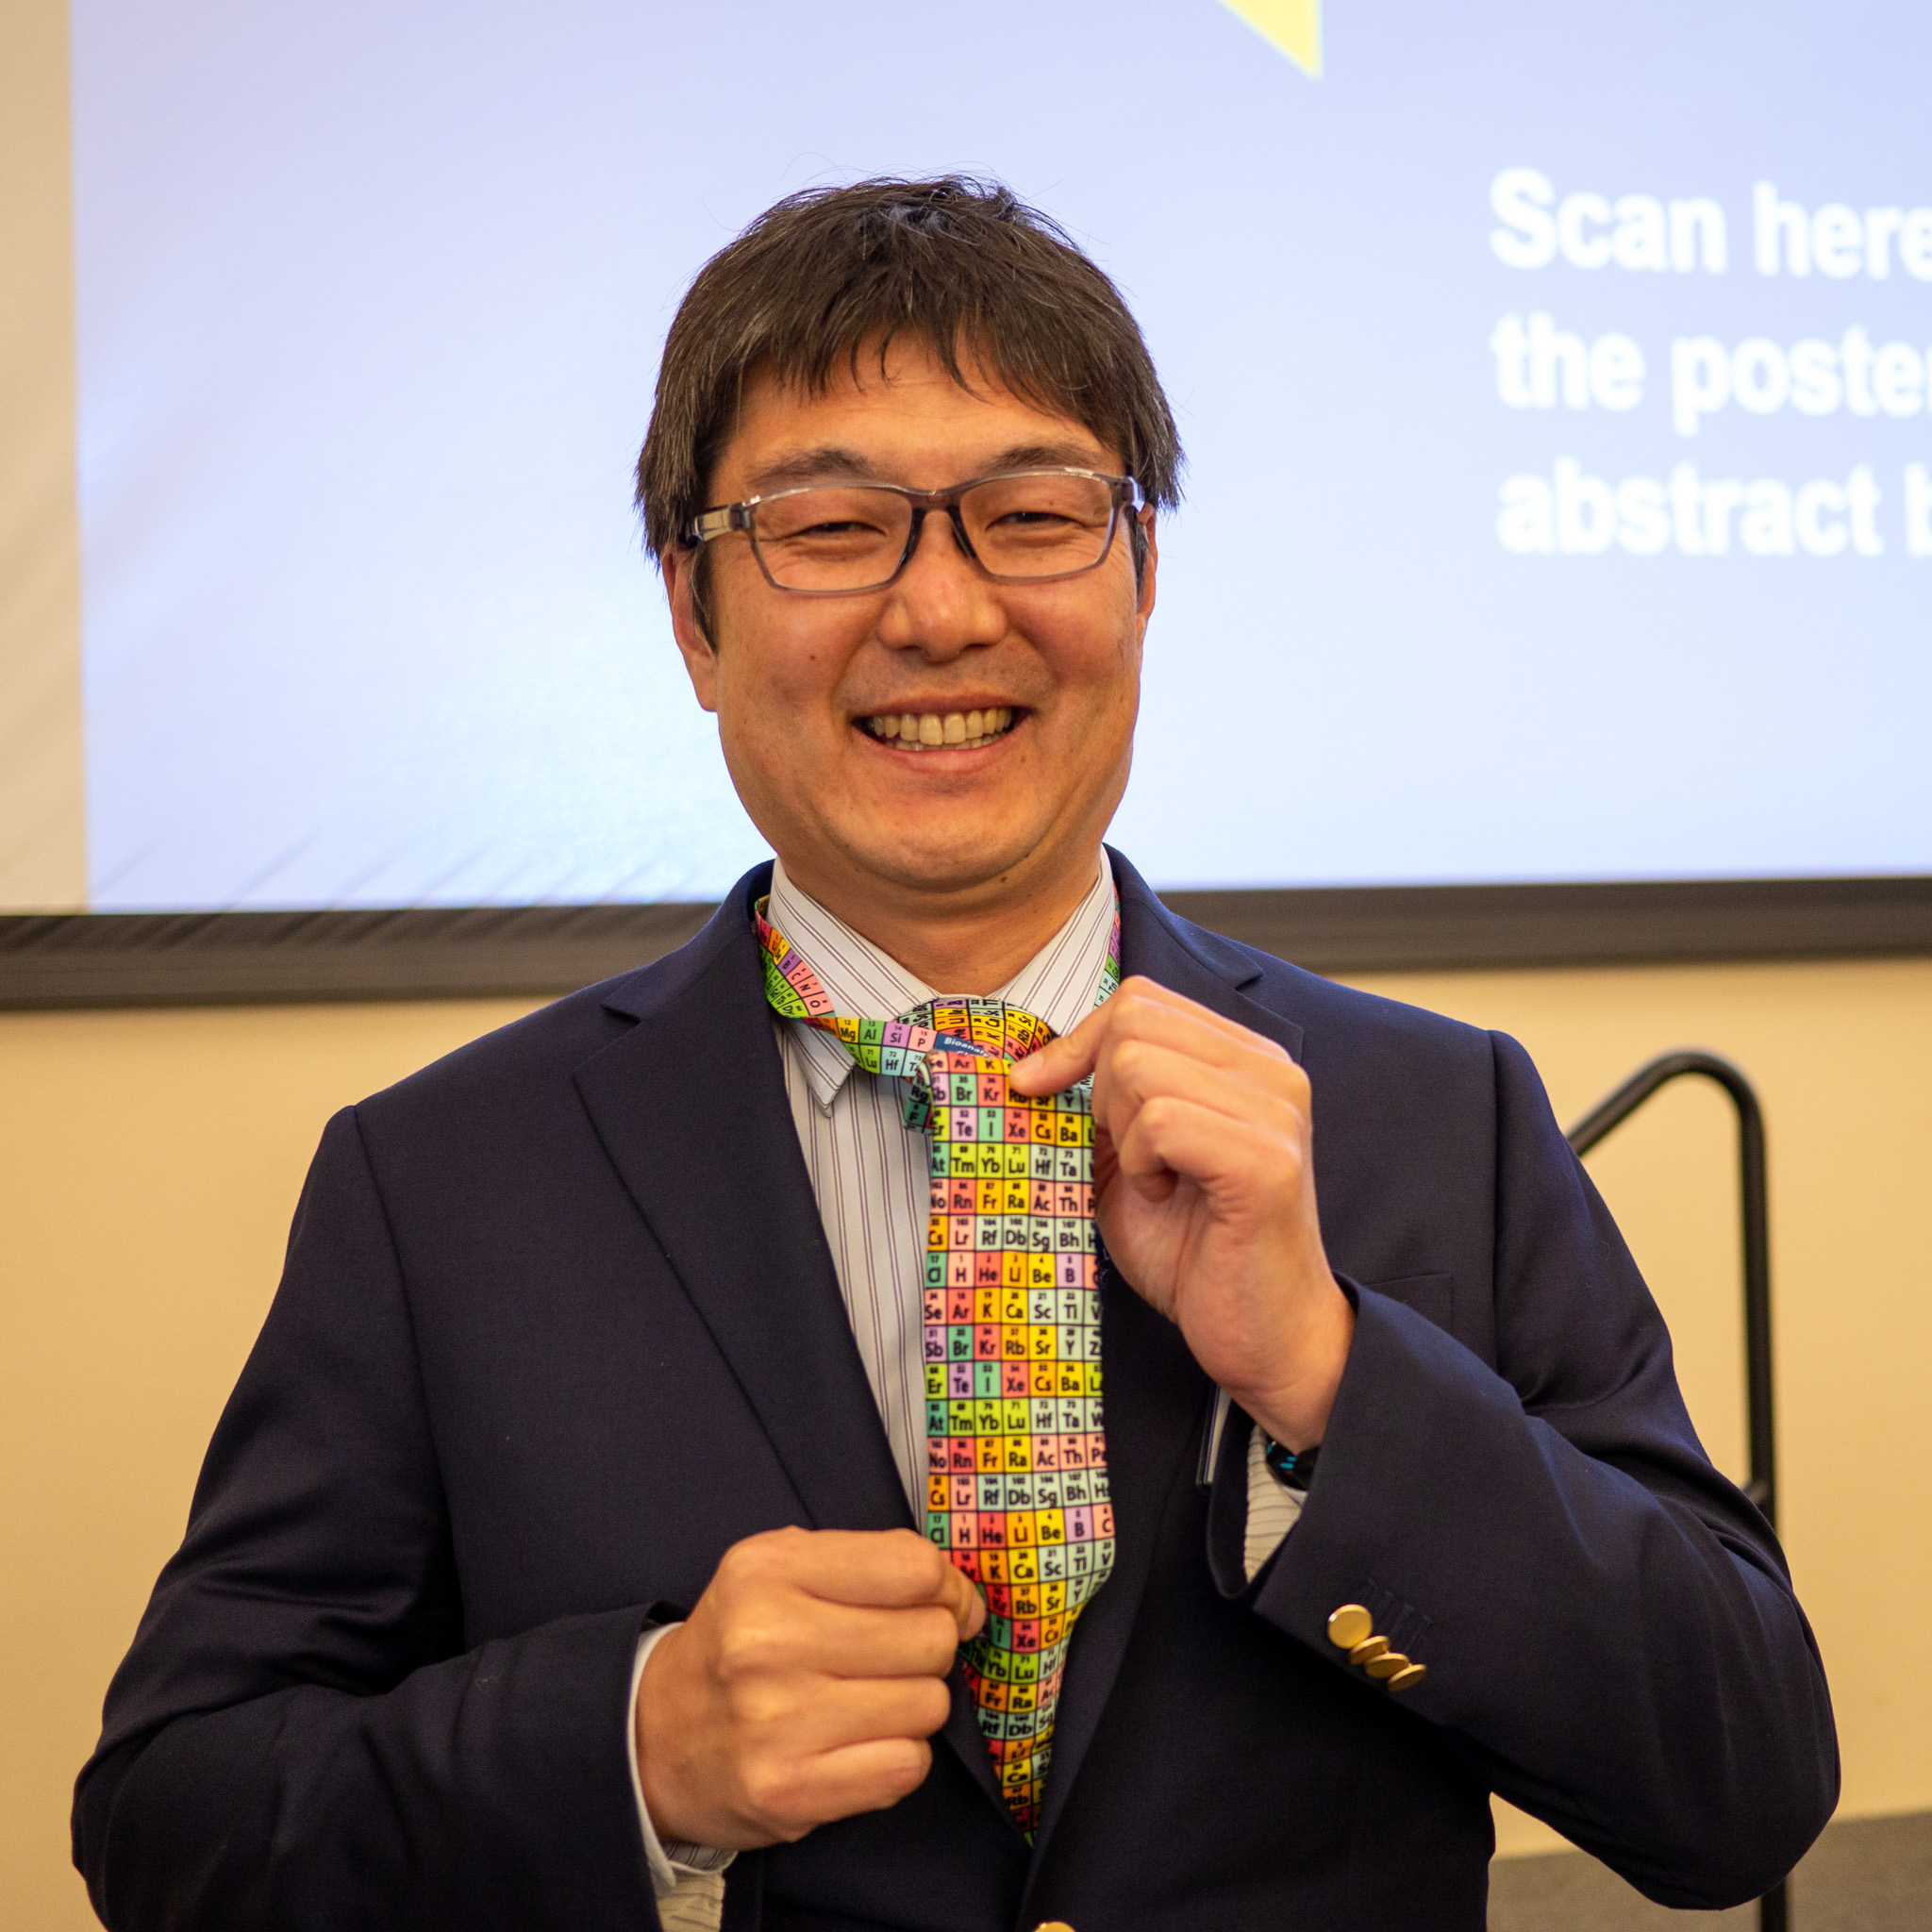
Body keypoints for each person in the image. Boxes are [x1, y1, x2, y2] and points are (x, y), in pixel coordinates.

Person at [75, 177, 1837, 1932]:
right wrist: (631, 1752)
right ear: (695, 617)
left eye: (1033, 514)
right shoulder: (440, 1180)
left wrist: (1333, 1379)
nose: (940, 613)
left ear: (1142, 576)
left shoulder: (1441, 1116)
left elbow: (1740, 1786)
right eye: (833, 527)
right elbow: (177, 1821)